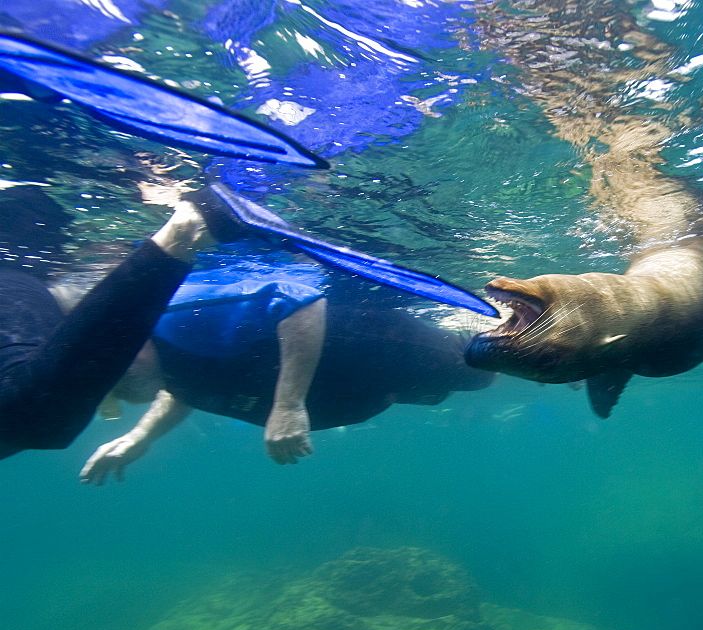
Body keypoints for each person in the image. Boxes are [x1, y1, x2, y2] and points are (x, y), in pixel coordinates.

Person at [79, 265, 494, 484]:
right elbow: (184, 384)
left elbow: (298, 301)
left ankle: (550, 336)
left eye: (120, 379)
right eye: (114, 393)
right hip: (367, 387)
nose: (125, 395)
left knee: (481, 367)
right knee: (476, 378)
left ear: (128, 343)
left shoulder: (176, 316)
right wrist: (140, 437)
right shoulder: (165, 364)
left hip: (374, 347)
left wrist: (287, 404)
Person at [0, 184, 241, 460]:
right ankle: (180, 234)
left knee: (31, 416)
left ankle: (182, 232)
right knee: (32, 419)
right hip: (30, 284)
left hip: (18, 268)